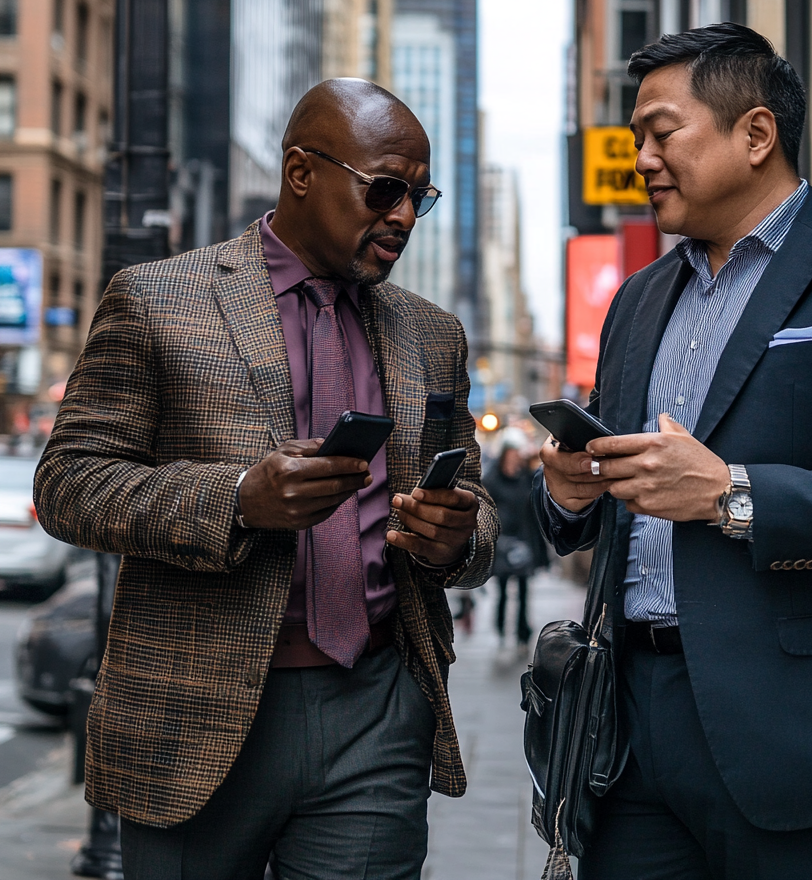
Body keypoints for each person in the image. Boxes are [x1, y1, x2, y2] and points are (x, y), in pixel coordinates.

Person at [535, 23, 812, 880]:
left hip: (798, 731)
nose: (640, 157)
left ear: (755, 134)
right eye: (635, 138)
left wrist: (730, 494)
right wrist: (571, 492)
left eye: (661, 132)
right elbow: (597, 506)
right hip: (628, 731)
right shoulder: (638, 300)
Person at [34, 78, 497, 880]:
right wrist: (238, 499)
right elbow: (70, 483)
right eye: (385, 189)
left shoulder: (433, 333)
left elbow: (479, 510)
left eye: (418, 198)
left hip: (379, 708)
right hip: (196, 713)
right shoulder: (157, 301)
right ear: (300, 172)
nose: (401, 216)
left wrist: (460, 536)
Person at [484, 430, 549, 648]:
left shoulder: (527, 479)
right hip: (503, 542)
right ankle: (501, 627)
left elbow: (535, 510)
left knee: (523, 590)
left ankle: (523, 631)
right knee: (502, 589)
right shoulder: (492, 480)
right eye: (510, 454)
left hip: (524, 540)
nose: (513, 458)